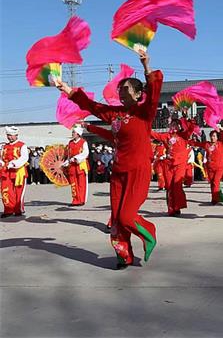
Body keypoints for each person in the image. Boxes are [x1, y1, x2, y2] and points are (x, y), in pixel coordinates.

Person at [56, 51, 161, 269]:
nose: (121, 94)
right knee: (116, 218)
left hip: (138, 171)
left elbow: (154, 92)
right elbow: (94, 107)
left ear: (138, 93)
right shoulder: (116, 115)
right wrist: (67, 89)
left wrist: (146, 65)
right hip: (119, 172)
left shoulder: (145, 112)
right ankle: (124, 256)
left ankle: (149, 232)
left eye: (126, 90)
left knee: (126, 216)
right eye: (120, 91)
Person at [190, 126, 223, 204]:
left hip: (219, 167)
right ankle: (215, 198)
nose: (212, 137)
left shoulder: (221, 143)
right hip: (210, 167)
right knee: (212, 183)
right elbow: (196, 143)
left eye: (214, 136)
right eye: (211, 136)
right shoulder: (207, 144)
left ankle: (215, 199)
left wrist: (221, 129)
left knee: (216, 182)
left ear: (217, 137)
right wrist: (187, 139)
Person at [0, 126, 29, 218]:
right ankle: (8, 209)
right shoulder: (4, 146)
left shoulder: (22, 145)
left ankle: (18, 209)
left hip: (18, 171)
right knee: (5, 189)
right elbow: (1, 158)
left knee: (18, 191)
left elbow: (24, 158)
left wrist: (13, 164)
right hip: (6, 171)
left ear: (16, 135)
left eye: (11, 135)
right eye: (8, 135)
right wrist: (2, 163)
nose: (9, 137)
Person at [63, 124, 90, 206]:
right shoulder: (70, 143)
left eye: (74, 132)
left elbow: (86, 153)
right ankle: (75, 199)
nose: (72, 134)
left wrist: (76, 158)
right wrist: (66, 162)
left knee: (81, 183)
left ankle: (82, 200)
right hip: (72, 166)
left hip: (80, 165)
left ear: (78, 133)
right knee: (73, 183)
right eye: (72, 132)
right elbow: (68, 155)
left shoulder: (83, 142)